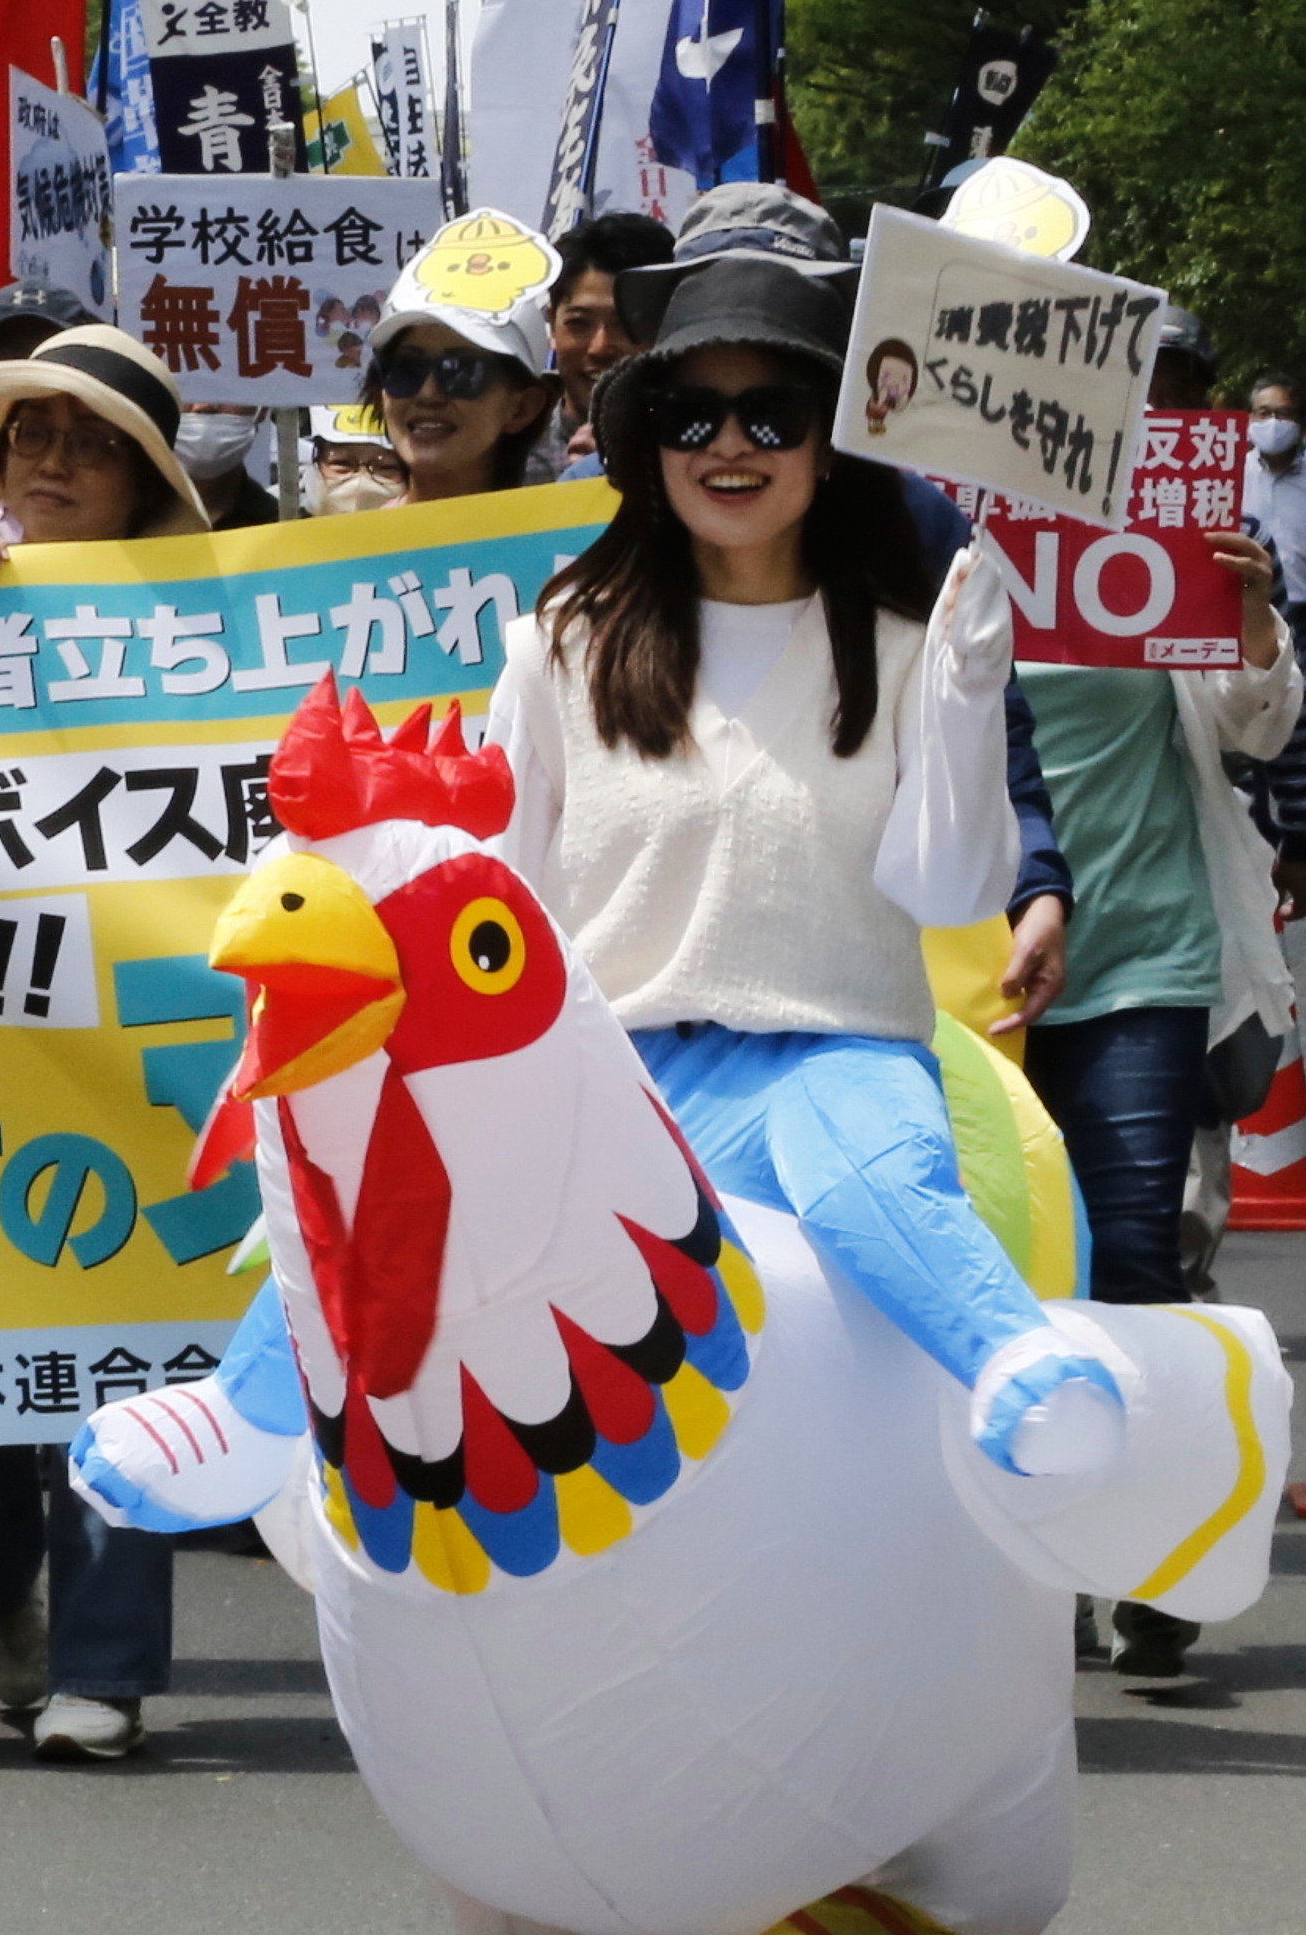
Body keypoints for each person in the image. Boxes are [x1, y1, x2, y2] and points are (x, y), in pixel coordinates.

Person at [482, 238, 1130, 1481]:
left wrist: (964, 678)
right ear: (643, 443)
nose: (728, 449)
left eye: (769, 416)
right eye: (689, 416)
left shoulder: (906, 642)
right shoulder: (553, 647)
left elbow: (946, 892)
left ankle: (1018, 1363)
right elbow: (500, 905)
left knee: (866, 1159)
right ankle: (243, 1410)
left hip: (841, 1049)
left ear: (828, 444)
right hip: (615, 1083)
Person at [0, 322, 210, 1755]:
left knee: (130, 1354)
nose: (60, 460)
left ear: (149, 474)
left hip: (144, 1033)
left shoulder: (218, 616)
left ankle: (103, 1664)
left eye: (94, 439)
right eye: (34, 434)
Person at [1013, 328, 1303, 1682]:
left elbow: (1257, 722)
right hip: (979, 972)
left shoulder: (1173, 553)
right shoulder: (943, 549)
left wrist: (1249, 615)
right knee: (1015, 1269)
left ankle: (1154, 1554)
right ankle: (1042, 1566)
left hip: (1150, 958)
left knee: (1133, 1258)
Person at [0, 319, 213, 557]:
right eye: (32, 434)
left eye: (88, 443)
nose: (52, 465)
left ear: (146, 484)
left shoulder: (188, 615)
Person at [1233, 371, 1306, 910]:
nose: (1272, 424)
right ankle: (1256, 834)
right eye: (1262, 413)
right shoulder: (1227, 476)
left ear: (1301, 424)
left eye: (1282, 414)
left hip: (1303, 617)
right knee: (1245, 726)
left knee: (1304, 724)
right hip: (1243, 616)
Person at [361, 223, 562, 506]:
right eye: (406, 370)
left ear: (522, 408)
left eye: (462, 371)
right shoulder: (349, 547)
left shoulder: (566, 542)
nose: (428, 393)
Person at [544, 208, 675, 475]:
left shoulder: (698, 454)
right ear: (551, 325)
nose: (600, 347)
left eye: (626, 323)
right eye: (579, 322)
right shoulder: (505, 457)